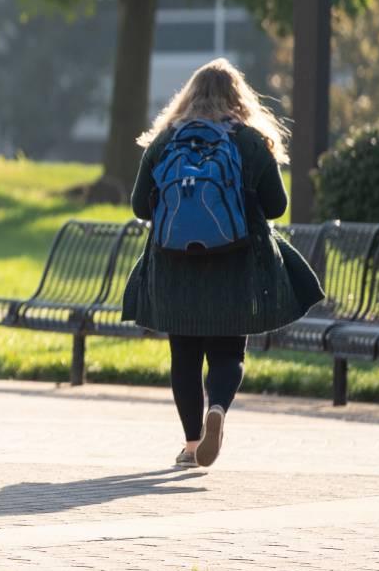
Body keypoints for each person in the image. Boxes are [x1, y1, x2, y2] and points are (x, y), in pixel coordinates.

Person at [121, 58, 323, 468]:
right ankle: (219, 409)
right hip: (236, 264)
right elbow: (276, 207)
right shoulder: (249, 141)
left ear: (188, 96)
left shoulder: (164, 142)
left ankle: (193, 445)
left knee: (184, 357)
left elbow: (140, 206)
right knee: (228, 354)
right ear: (239, 97)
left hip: (174, 267)